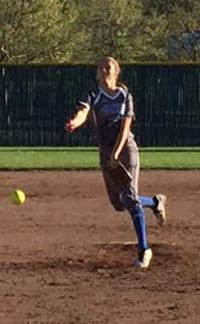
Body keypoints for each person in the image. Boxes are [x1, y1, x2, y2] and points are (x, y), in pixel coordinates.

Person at [65, 56, 166, 269]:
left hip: (126, 150)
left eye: (107, 66)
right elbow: (84, 111)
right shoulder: (94, 94)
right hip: (106, 152)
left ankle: (143, 250)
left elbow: (125, 128)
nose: (103, 70)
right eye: (100, 67)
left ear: (116, 71)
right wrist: (75, 122)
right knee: (119, 203)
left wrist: (116, 154)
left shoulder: (124, 96)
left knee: (129, 197)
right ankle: (156, 202)